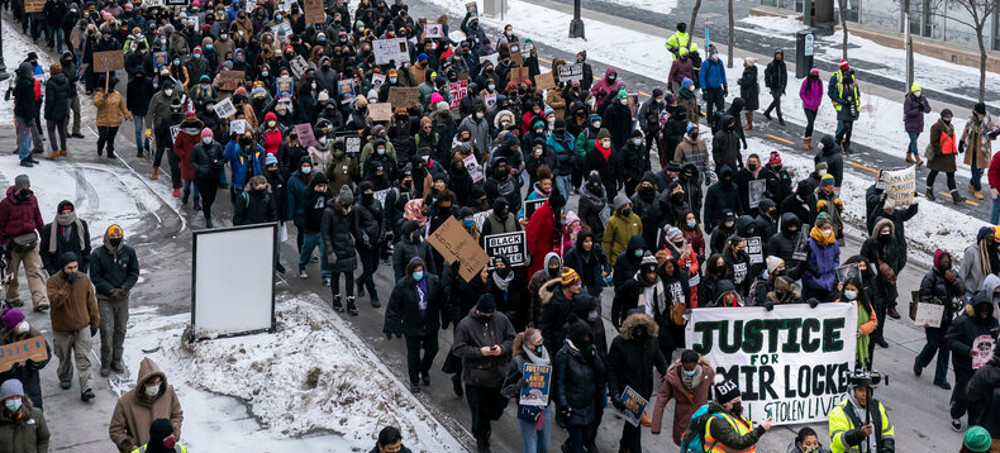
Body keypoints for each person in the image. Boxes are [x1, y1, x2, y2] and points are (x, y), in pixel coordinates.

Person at [452, 294, 516, 453]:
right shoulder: (465, 325)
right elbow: (458, 348)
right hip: (476, 379)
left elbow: (512, 338)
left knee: (496, 408)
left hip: (499, 375)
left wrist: (502, 349)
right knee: (479, 414)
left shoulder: (501, 319)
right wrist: (480, 352)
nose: (489, 316)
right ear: (478, 310)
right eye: (485, 313)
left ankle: (485, 422)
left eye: (491, 313)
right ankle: (482, 441)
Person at [606, 313, 668, 453]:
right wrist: (615, 393)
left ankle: (624, 445)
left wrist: (667, 375)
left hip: (644, 389)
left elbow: (660, 361)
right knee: (635, 426)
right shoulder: (619, 343)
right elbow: (611, 369)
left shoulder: (651, 341)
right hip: (627, 390)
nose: (640, 332)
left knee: (632, 423)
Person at [384, 257, 447, 393]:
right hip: (411, 326)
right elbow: (393, 306)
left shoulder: (433, 281)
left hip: (430, 324)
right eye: (416, 270)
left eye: (421, 269)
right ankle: (414, 381)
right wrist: (390, 326)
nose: (419, 272)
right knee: (413, 355)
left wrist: (447, 318)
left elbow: (444, 301)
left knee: (432, 349)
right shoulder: (403, 285)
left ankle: (424, 369)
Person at [46, 251, 98, 401]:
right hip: (62, 329)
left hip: (82, 327)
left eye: (75, 267)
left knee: (84, 358)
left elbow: (91, 303)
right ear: (63, 268)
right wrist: (68, 285)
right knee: (64, 356)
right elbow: (55, 302)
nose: (73, 271)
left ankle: (86, 387)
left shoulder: (84, 280)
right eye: (69, 268)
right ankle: (65, 376)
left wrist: (95, 322)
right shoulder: (53, 282)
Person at [91, 224, 140, 377]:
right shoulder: (98, 254)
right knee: (106, 330)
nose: (115, 240)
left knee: (121, 329)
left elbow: (134, 272)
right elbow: (95, 276)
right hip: (105, 298)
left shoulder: (129, 252)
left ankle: (116, 359)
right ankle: (106, 362)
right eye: (112, 238)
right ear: (107, 237)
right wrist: (109, 289)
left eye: (117, 238)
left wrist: (124, 288)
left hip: (122, 298)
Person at [946, 291, 999, 432]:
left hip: (983, 365)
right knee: (964, 393)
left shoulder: (993, 323)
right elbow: (949, 339)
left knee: (979, 395)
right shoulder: (963, 322)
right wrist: (967, 350)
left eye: (987, 311)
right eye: (981, 310)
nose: (984, 314)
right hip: (964, 364)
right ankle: (956, 414)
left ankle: (974, 420)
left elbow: (994, 339)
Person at [110, 358, 184, 453]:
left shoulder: (169, 393)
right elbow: (115, 430)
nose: (155, 386)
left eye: (158, 382)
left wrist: (172, 433)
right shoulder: (125, 402)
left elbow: (177, 415)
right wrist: (131, 447)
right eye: (152, 383)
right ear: (143, 384)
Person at [552, 321, 604, 453]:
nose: (587, 341)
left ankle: (567, 447)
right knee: (577, 443)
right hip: (573, 406)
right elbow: (560, 382)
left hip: (589, 403)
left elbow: (601, 372)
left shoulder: (591, 350)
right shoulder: (563, 356)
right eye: (584, 338)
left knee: (586, 437)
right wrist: (563, 405)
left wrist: (593, 358)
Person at [915, 250, 963, 388]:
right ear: (937, 262)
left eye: (947, 261)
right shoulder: (931, 277)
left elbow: (961, 291)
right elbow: (923, 295)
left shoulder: (953, 275)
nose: (945, 264)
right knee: (933, 344)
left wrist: (953, 281)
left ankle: (940, 377)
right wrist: (934, 301)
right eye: (943, 261)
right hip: (933, 317)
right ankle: (920, 361)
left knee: (945, 346)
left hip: (947, 317)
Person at [502, 328, 555, 453]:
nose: (542, 344)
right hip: (527, 410)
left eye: (542, 340)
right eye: (538, 342)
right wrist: (518, 386)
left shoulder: (546, 356)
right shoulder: (518, 361)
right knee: (530, 447)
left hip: (542, 410)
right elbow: (505, 390)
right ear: (529, 345)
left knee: (544, 446)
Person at [0, 175, 48, 311]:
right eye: (24, 187)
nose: (27, 190)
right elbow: (1, 224)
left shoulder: (32, 200)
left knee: (35, 271)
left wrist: (44, 235)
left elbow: (38, 218)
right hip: (12, 245)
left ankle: (40, 300)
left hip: (31, 242)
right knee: (11, 273)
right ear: (17, 187)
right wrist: (2, 243)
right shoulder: (6, 204)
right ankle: (12, 298)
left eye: (28, 187)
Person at [651, 349, 715, 445]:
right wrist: (656, 425)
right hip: (683, 421)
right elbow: (662, 399)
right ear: (682, 364)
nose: (689, 371)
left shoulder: (707, 373)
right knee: (685, 445)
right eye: (687, 369)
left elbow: (716, 387)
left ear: (697, 364)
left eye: (691, 369)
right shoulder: (673, 377)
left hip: (702, 419)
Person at [0, 309, 50, 409]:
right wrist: (10, 367)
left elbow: (45, 353)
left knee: (34, 408)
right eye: (19, 323)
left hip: (30, 380)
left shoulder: (32, 335)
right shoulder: (3, 340)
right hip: (10, 384)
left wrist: (35, 363)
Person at [705, 376, 772, 452]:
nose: (738, 403)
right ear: (725, 403)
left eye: (739, 399)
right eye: (735, 400)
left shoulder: (735, 415)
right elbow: (738, 443)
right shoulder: (717, 421)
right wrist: (761, 429)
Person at [322, 186, 360, 315]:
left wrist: (361, 238)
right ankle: (336, 299)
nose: (347, 207)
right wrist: (329, 251)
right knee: (335, 275)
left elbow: (355, 229)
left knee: (349, 275)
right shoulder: (329, 212)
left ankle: (351, 300)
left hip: (348, 247)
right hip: (335, 248)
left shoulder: (352, 211)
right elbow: (325, 233)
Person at [828, 381, 894, 453]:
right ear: (853, 391)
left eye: (867, 390)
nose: (864, 394)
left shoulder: (877, 406)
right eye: (860, 390)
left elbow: (887, 432)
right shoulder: (839, 412)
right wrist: (859, 434)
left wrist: (887, 450)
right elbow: (838, 441)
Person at [39, 200, 91, 276]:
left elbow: (87, 247)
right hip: (57, 271)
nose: (67, 215)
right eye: (64, 213)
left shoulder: (81, 225)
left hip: (78, 269)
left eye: (69, 213)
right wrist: (51, 270)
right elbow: (44, 251)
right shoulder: (49, 229)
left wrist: (85, 266)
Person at [0, 379, 49, 453]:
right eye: (10, 397)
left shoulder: (36, 415)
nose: (14, 400)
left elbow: (43, 438)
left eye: (17, 397)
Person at [960, 102, 996, 201]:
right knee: (974, 169)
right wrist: (961, 141)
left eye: (980, 113)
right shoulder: (972, 120)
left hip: (983, 150)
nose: (978, 114)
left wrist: (993, 135)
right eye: (977, 112)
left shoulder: (989, 121)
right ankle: (977, 189)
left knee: (981, 169)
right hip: (972, 149)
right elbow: (966, 130)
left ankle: (972, 183)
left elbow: (993, 135)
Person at [926, 109, 963, 203]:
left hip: (949, 155)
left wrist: (953, 151)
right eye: (947, 117)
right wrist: (940, 151)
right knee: (933, 172)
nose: (949, 119)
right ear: (942, 117)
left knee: (951, 174)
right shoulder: (936, 127)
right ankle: (929, 191)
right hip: (939, 155)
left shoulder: (951, 126)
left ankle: (955, 196)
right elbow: (934, 142)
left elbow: (951, 140)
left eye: (950, 117)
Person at [94, 76, 133, 158]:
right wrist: (104, 97)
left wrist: (126, 113)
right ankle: (100, 145)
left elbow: (122, 105)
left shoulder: (117, 94)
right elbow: (97, 103)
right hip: (102, 119)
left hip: (114, 119)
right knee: (103, 136)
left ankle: (110, 151)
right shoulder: (99, 94)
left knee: (111, 138)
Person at [828, 60, 860, 154]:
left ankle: (846, 145)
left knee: (849, 127)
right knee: (843, 126)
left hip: (852, 105)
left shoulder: (852, 79)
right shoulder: (836, 79)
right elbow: (832, 92)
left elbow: (856, 91)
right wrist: (837, 102)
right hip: (842, 106)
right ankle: (837, 142)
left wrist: (857, 100)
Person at [12, 63, 39, 167]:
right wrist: (29, 116)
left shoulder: (23, 82)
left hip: (24, 113)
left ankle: (27, 155)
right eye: (31, 71)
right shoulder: (26, 84)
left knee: (27, 136)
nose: (33, 73)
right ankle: (24, 157)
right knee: (24, 136)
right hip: (24, 114)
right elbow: (27, 103)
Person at [603, 195, 643, 267]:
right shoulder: (612, 221)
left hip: (634, 257)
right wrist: (608, 261)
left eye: (626, 205)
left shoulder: (636, 219)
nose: (626, 208)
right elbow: (607, 242)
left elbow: (640, 235)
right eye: (623, 206)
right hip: (618, 257)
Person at [43, 62, 72, 159]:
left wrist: (47, 112)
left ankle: (55, 150)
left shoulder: (51, 83)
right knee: (62, 131)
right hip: (63, 109)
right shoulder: (66, 80)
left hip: (53, 112)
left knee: (51, 131)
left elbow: (50, 100)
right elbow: (68, 93)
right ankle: (63, 150)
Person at [903, 82, 931, 165]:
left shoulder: (923, 99)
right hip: (910, 124)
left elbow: (928, 109)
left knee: (913, 141)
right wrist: (917, 110)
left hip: (919, 124)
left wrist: (923, 108)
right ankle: (917, 158)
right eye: (916, 91)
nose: (918, 92)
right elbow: (907, 112)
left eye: (919, 90)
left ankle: (908, 156)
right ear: (912, 92)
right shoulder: (909, 100)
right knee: (914, 141)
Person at [700, 46, 727, 122]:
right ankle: (710, 120)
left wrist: (725, 86)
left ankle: (720, 120)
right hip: (710, 88)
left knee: (721, 105)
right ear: (711, 54)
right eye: (714, 53)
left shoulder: (719, 62)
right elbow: (702, 76)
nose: (716, 55)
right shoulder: (706, 63)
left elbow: (723, 74)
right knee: (710, 106)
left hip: (718, 88)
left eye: (716, 53)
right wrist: (704, 89)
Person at [800, 67, 823, 150]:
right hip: (807, 106)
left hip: (815, 106)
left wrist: (818, 101)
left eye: (817, 73)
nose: (815, 74)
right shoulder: (806, 82)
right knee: (810, 122)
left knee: (812, 124)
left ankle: (809, 142)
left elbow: (821, 93)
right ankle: (806, 141)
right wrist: (807, 102)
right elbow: (801, 93)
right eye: (814, 73)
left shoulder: (819, 82)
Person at [763, 49, 787, 125]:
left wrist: (783, 86)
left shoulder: (783, 65)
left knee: (776, 101)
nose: (778, 56)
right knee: (777, 101)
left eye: (780, 55)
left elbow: (784, 76)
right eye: (777, 54)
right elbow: (767, 75)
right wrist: (769, 83)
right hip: (773, 86)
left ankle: (767, 112)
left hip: (780, 86)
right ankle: (780, 117)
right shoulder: (771, 65)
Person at [737, 57, 759, 131]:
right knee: (748, 109)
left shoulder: (751, 72)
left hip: (749, 94)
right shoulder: (750, 70)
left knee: (748, 109)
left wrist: (741, 82)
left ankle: (749, 124)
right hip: (748, 93)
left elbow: (748, 82)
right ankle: (749, 124)